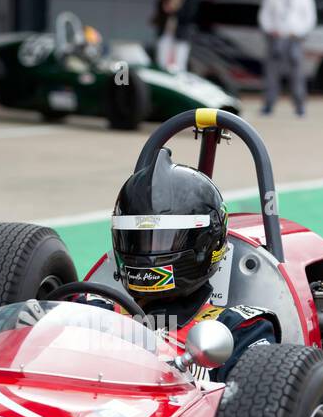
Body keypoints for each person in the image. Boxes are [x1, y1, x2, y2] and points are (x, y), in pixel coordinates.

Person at [105, 149, 277, 380]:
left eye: (164, 239)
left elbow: (258, 408)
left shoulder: (238, 330)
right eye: (137, 239)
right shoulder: (95, 310)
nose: (148, 255)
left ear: (209, 242)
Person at [257, 0, 316, 117]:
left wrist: (299, 32)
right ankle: (269, 104)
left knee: (296, 73)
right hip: (276, 38)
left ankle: (299, 105)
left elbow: (309, 18)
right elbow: (264, 15)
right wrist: (270, 29)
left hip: (294, 38)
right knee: (272, 73)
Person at [156, 0, 198, 73]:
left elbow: (189, 15)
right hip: (168, 31)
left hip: (181, 33)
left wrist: (174, 10)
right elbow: (161, 9)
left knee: (179, 63)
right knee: (162, 60)